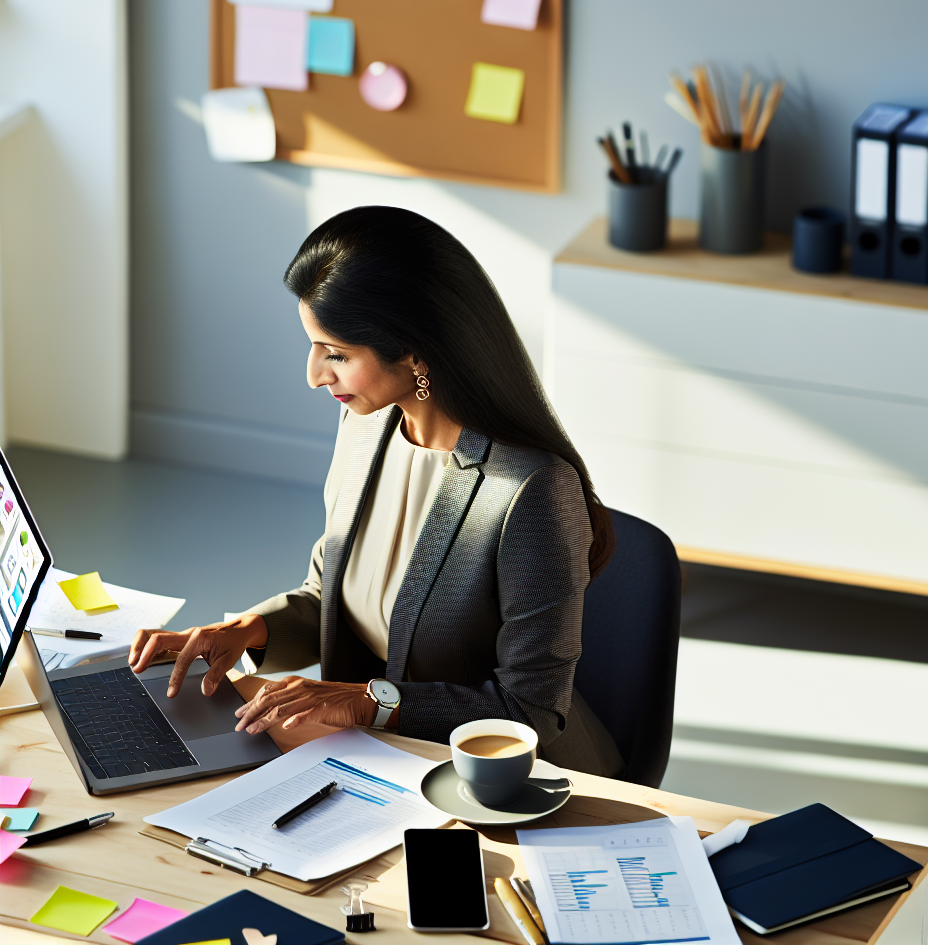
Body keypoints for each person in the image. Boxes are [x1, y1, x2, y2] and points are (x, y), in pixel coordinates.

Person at [130, 206, 623, 776]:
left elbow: (529, 710)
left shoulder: (528, 489)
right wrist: (245, 631)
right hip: (379, 757)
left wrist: (368, 700)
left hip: (500, 779)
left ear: (414, 353)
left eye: (337, 354)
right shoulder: (367, 424)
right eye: (315, 346)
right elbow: (336, 595)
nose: (315, 374)